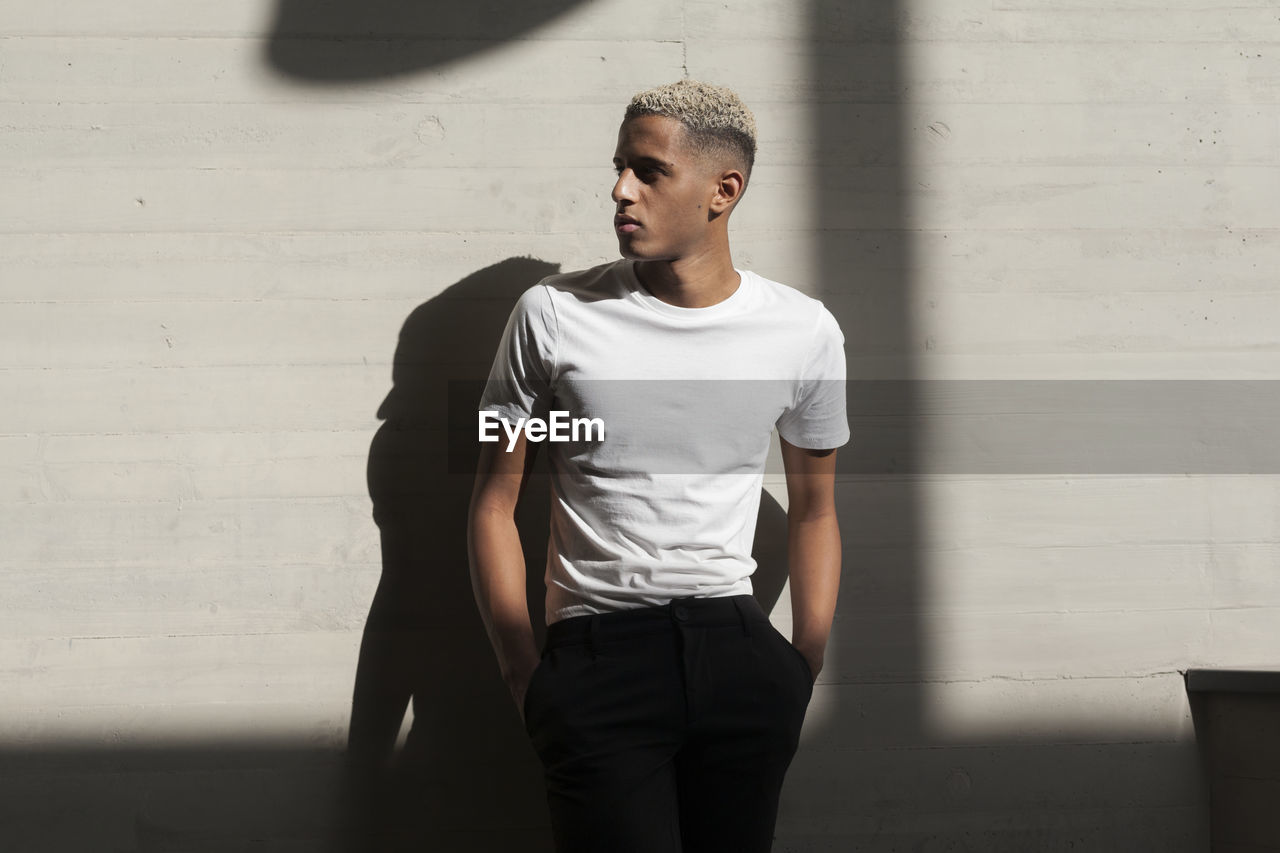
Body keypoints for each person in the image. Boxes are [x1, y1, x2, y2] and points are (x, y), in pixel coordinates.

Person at [467, 79, 848, 853]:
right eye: (619, 166)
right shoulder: (552, 313)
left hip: (739, 655)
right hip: (597, 659)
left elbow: (815, 510)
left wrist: (802, 661)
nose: (619, 190)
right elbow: (490, 503)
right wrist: (524, 672)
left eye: (648, 170)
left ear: (723, 190)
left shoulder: (803, 330)